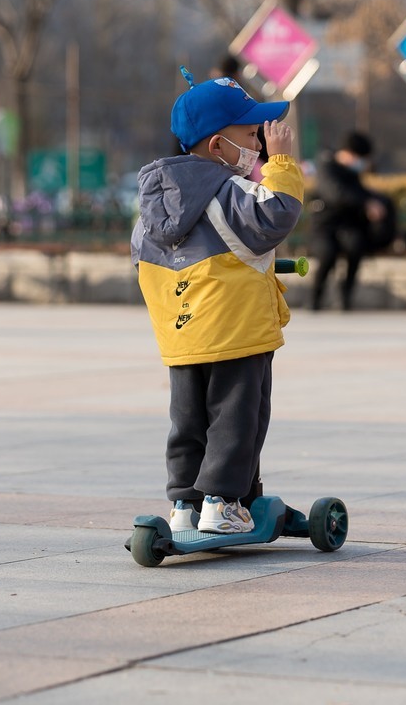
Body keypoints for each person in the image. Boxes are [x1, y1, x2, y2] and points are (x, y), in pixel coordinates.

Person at [131, 67, 303, 535]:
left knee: (188, 421)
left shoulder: (153, 205)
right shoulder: (228, 191)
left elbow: (142, 263)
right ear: (216, 147)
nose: (261, 144)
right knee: (237, 421)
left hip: (182, 336)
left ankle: (184, 505)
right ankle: (224, 503)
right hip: (238, 333)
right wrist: (284, 165)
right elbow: (278, 213)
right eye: (250, 134)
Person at [307, 131, 390, 311]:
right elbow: (336, 194)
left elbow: (361, 192)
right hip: (324, 227)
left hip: (346, 226)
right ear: (349, 153)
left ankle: (345, 296)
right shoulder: (327, 167)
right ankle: (315, 298)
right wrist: (366, 203)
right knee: (327, 253)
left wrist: (376, 203)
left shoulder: (352, 174)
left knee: (356, 246)